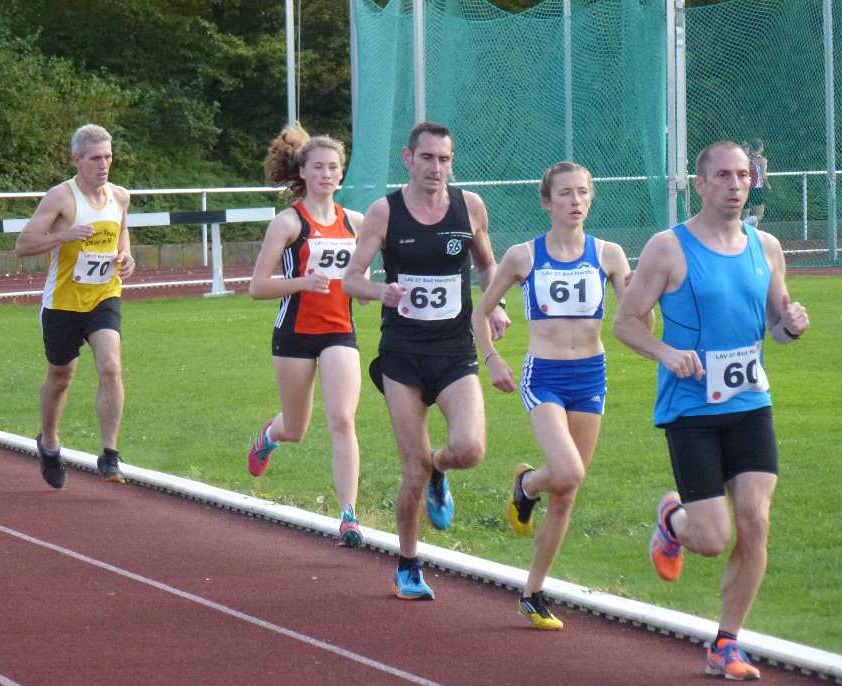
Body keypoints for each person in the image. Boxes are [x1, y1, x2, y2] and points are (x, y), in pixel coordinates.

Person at [613, 141, 809, 681]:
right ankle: (673, 520)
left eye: (743, 175)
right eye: (723, 176)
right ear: (699, 184)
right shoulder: (668, 248)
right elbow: (625, 322)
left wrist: (791, 325)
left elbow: (777, 327)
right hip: (691, 408)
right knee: (712, 538)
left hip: (750, 401)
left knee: (757, 521)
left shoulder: (766, 247)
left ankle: (726, 642)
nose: (735, 185)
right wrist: (665, 352)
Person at [472, 162, 645, 630]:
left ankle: (533, 592)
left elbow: (636, 323)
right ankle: (528, 485)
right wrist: (493, 359)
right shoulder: (523, 256)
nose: (575, 201)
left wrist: (642, 298)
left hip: (591, 375)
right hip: (544, 375)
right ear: (547, 202)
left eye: (582, 192)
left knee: (567, 492)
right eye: (565, 193)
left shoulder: (609, 255)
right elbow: (480, 313)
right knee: (566, 471)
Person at [342, 121, 509, 600]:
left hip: (455, 351)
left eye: (445, 159)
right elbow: (351, 279)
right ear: (408, 159)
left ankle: (441, 468)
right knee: (411, 470)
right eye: (428, 158)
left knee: (470, 449)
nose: (437, 168)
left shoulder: (469, 206)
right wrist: (380, 291)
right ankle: (409, 565)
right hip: (403, 355)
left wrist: (495, 302)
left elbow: (486, 264)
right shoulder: (385, 212)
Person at [247, 124, 366, 547]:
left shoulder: (356, 223)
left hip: (340, 332)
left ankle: (348, 516)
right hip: (295, 334)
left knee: (343, 419)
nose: (326, 174)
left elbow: (361, 281)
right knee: (296, 428)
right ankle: (269, 436)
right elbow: (257, 287)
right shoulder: (288, 223)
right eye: (318, 167)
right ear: (303, 171)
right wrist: (301, 283)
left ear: (342, 172)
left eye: (333, 167)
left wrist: (368, 289)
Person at [15, 124, 135, 489]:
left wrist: (126, 255)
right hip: (63, 303)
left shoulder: (120, 197)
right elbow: (23, 245)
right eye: (96, 158)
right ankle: (49, 443)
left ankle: (109, 454)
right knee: (60, 377)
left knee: (111, 366)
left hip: (104, 296)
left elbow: (122, 232)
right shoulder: (60, 198)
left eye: (108, 157)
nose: (104, 164)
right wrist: (63, 236)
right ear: (77, 159)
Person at [744, 139, 770, 226]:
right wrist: (768, 186)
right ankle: (745, 223)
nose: (763, 148)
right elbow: (763, 176)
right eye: (762, 146)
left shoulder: (746, 159)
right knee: (759, 215)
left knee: (745, 215)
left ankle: (745, 226)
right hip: (757, 189)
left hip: (745, 188)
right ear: (759, 147)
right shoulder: (762, 160)